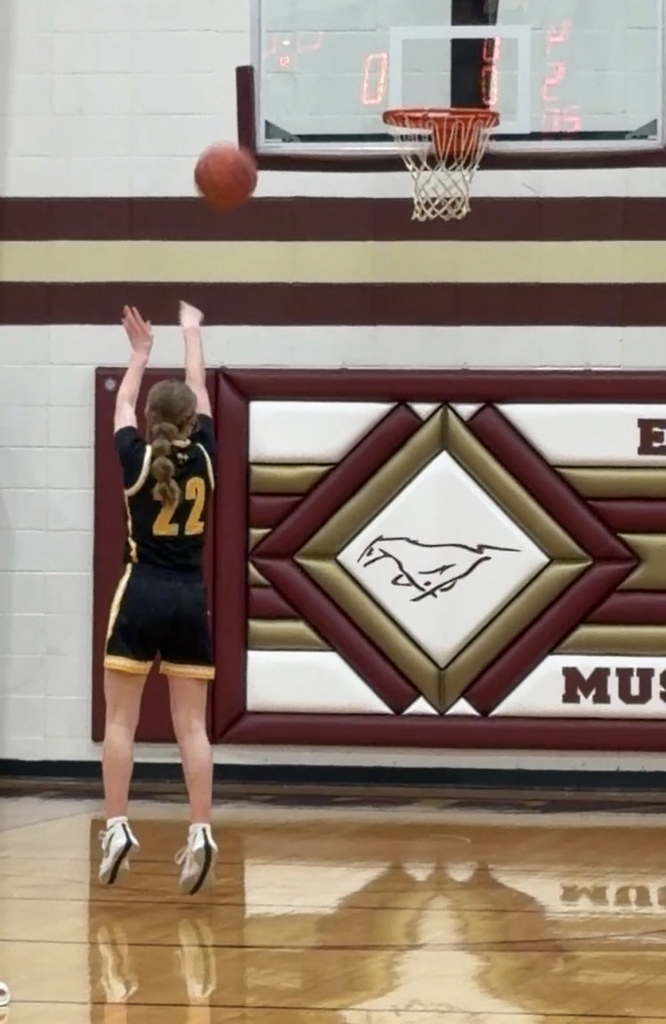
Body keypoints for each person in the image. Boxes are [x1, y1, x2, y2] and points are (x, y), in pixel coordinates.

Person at [98, 301, 217, 895]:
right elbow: (200, 386)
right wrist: (191, 333)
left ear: (150, 420)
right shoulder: (208, 456)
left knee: (120, 720)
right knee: (192, 726)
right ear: (193, 420)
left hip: (141, 592)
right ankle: (201, 832)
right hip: (189, 598)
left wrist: (139, 355)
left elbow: (120, 405)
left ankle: (117, 827)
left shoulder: (135, 459)